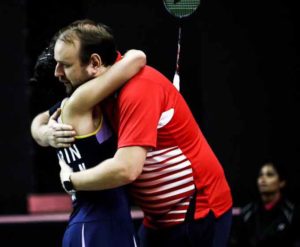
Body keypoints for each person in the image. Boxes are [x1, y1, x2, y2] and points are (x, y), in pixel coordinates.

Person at [31, 19, 233, 247]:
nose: (58, 73)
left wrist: (70, 181)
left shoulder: (138, 90)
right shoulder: (99, 87)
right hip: (156, 219)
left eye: (65, 65)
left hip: (197, 213)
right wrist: (44, 134)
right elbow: (42, 118)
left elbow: (127, 169)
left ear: (95, 62)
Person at [31, 20, 146, 247]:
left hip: (113, 224)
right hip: (94, 227)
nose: (58, 72)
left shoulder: (69, 105)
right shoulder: (79, 101)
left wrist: (42, 133)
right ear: (93, 62)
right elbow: (137, 58)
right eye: (57, 65)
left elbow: (38, 120)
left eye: (64, 65)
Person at [232, 160, 300, 247]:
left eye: (269, 175)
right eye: (260, 175)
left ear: (281, 182)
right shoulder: (247, 214)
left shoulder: (292, 214)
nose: (263, 179)